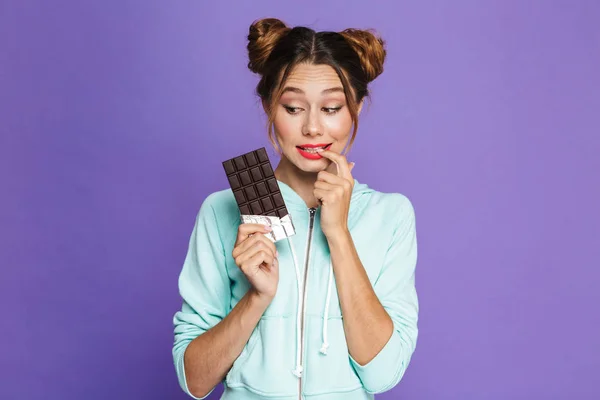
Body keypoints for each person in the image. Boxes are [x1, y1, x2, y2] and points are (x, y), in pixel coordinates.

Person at [172, 18, 419, 400]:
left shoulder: (391, 215)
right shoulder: (223, 209)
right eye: (292, 108)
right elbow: (195, 380)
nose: (312, 128)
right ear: (269, 105)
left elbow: (383, 375)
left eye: (332, 107)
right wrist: (257, 298)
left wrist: (338, 235)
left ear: (356, 108)